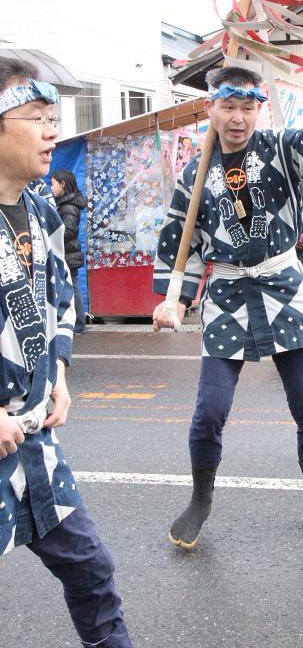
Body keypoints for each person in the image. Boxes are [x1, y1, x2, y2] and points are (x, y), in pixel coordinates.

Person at [153, 56, 303, 548]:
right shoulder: (193, 173)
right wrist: (175, 300)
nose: (238, 117)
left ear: (260, 109)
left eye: (248, 106)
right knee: (209, 410)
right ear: (212, 109)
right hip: (226, 293)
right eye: (228, 106)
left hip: (282, 285)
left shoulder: (280, 149)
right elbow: (179, 239)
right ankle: (200, 500)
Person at [0, 58, 133, 647]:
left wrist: (58, 372)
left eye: (52, 117)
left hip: (33, 446)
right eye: (35, 117)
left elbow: (57, 303)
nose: (52, 130)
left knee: (91, 569)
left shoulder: (41, 209)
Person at [51, 170, 87, 334]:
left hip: (68, 252)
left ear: (63, 184)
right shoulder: (63, 203)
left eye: (53, 184)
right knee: (70, 286)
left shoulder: (69, 205)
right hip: (66, 252)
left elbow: (69, 230)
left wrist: (51, 233)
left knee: (73, 287)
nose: (51, 187)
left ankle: (79, 324)